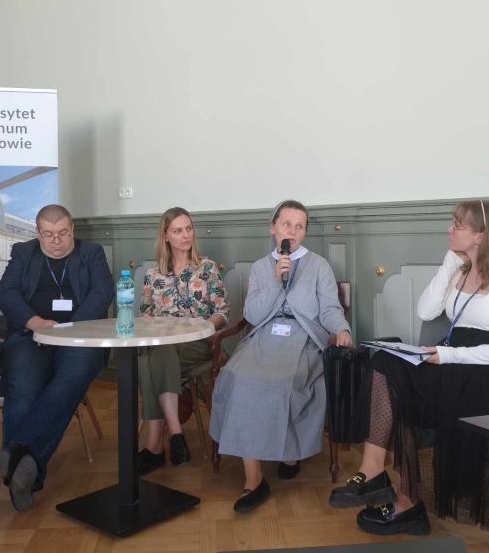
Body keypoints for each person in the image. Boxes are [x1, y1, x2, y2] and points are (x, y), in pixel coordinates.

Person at [329, 200, 489, 535]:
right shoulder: (461, 271)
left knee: (406, 389)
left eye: (458, 225)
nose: (449, 230)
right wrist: (449, 263)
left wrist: (450, 356)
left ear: (481, 236)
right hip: (449, 358)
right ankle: (373, 471)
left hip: (485, 370)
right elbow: (426, 311)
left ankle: (407, 502)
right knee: (385, 363)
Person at [210, 200, 352, 513]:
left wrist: (342, 329)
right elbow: (252, 314)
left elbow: (330, 308)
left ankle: (289, 453)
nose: (293, 231)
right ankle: (254, 479)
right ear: (273, 228)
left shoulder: (319, 266)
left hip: (303, 338)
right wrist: (275, 280)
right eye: (286, 224)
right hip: (264, 336)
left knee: (282, 381)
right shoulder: (262, 267)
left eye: (300, 226)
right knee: (239, 376)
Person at [0, 204, 114, 511]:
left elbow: (103, 292)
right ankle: (26, 472)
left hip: (79, 338)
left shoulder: (92, 253)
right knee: (22, 386)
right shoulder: (23, 252)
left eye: (63, 233)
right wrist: (34, 322)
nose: (56, 241)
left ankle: (17, 455)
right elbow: (7, 293)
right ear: (38, 233)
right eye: (48, 235)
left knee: (71, 379)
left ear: (72, 229)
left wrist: (72, 329)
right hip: (31, 337)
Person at [137, 207, 229, 473]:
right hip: (164, 346)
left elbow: (222, 312)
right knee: (153, 353)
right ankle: (174, 434)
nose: (185, 235)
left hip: (199, 344)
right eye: (178, 231)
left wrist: (204, 327)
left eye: (188, 228)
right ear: (165, 236)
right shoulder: (153, 275)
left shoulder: (207, 268)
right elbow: (145, 317)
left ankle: (156, 446)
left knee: (148, 360)